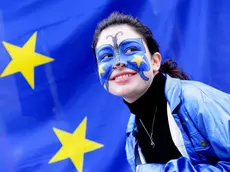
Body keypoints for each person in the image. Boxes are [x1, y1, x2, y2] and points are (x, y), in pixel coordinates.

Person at [92, 12, 230, 172]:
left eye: (130, 49)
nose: (118, 63)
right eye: (106, 56)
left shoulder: (197, 100)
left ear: (155, 61)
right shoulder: (133, 131)